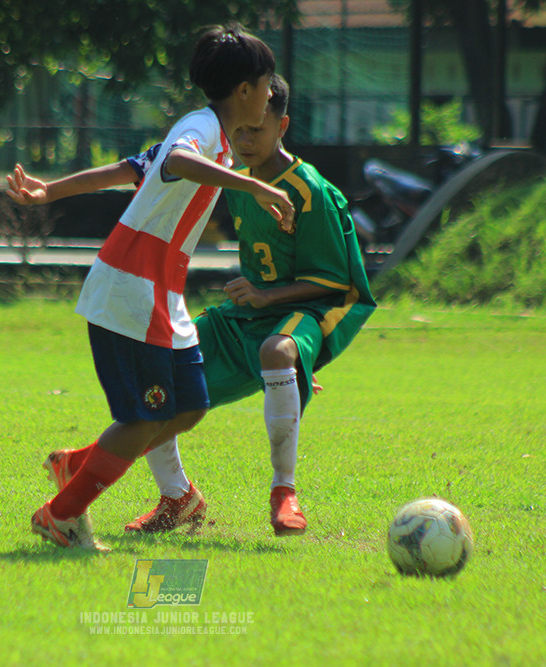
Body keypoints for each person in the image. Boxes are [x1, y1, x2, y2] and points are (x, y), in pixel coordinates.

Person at [25, 75, 376, 538]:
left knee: (273, 353)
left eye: (258, 131)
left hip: (304, 311)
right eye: (242, 132)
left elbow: (333, 280)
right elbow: (140, 165)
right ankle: (177, 497)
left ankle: (283, 492)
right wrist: (49, 191)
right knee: (173, 395)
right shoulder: (231, 170)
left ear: (281, 125)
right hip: (242, 311)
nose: (247, 140)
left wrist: (295, 344)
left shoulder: (308, 189)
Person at [6, 24, 294, 551]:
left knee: (189, 406)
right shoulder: (203, 129)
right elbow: (180, 161)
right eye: (266, 81)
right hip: (130, 289)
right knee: (145, 415)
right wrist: (253, 185)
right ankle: (61, 516)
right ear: (246, 91)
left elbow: (131, 168)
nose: (271, 92)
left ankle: (76, 464)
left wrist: (50, 191)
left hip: (160, 295)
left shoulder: (218, 140)